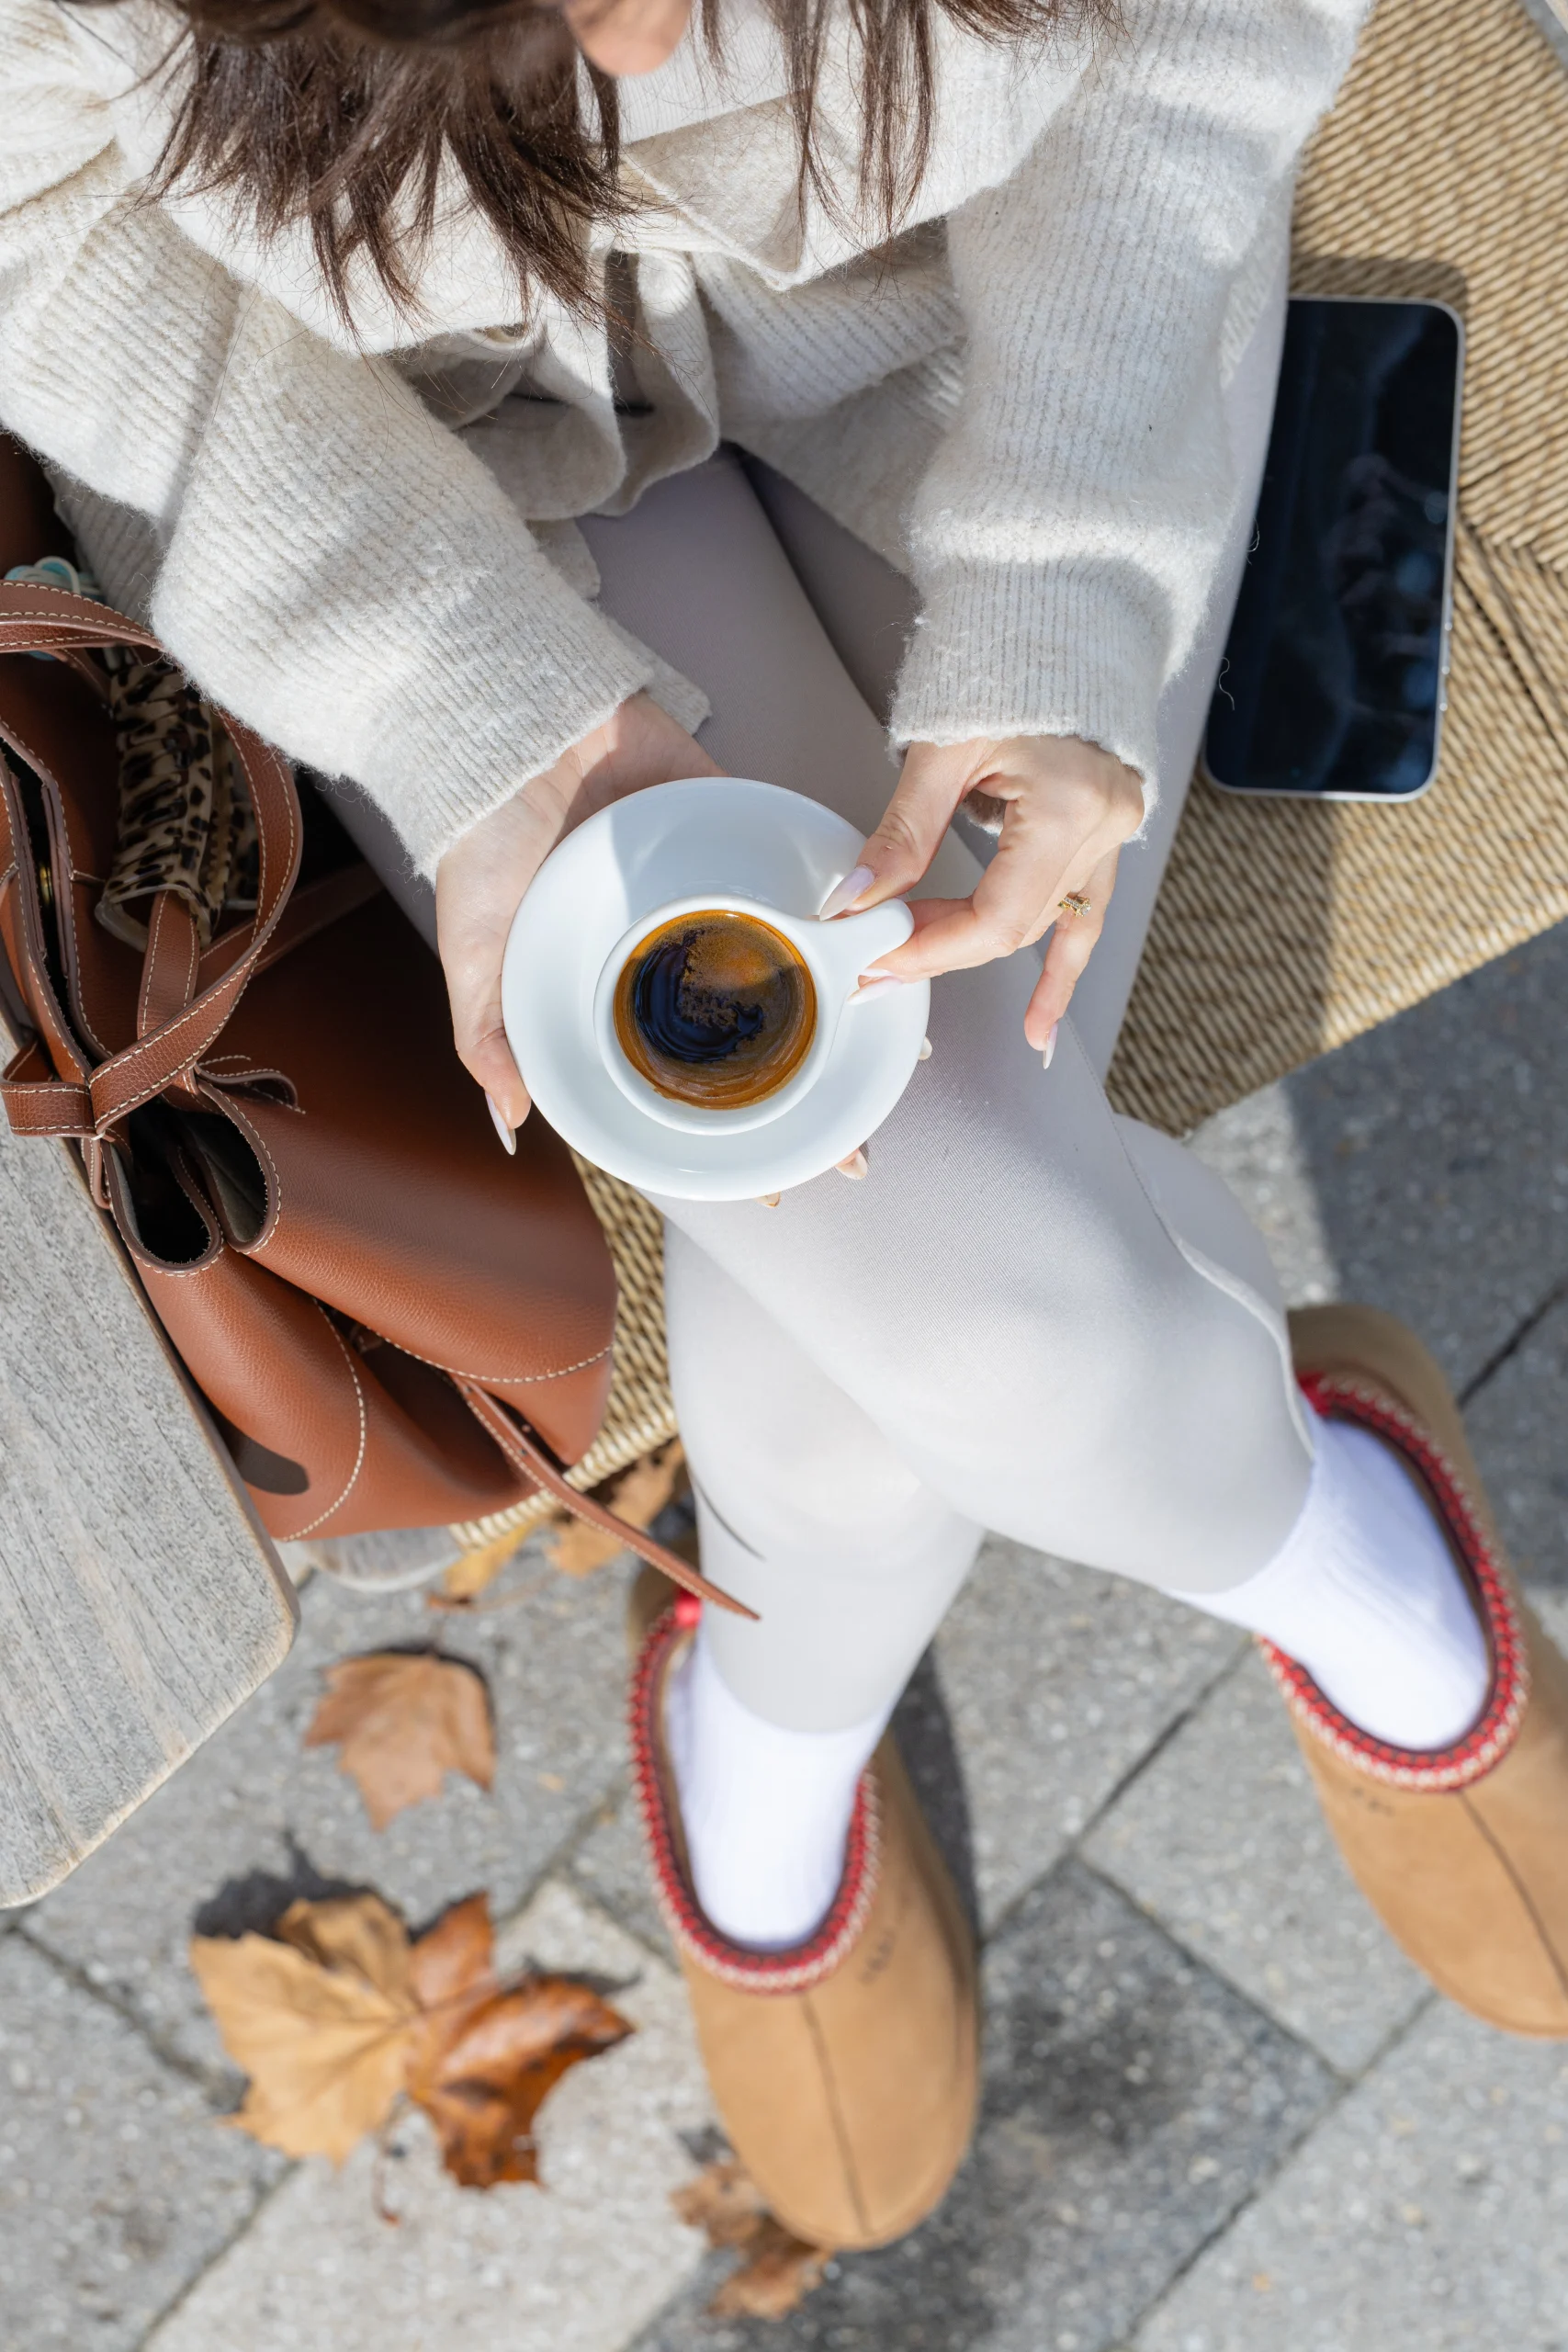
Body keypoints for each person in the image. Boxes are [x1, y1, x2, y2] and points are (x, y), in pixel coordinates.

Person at [5, 0, 1565, 2254]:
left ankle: (781, 1748)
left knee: (894, 1352)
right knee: (984, 1328)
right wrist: (473, 711)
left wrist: (1065, 570)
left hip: (1000, 299)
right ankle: (1330, 1558)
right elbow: (40, 210)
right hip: (418, 480)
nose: (650, 36)